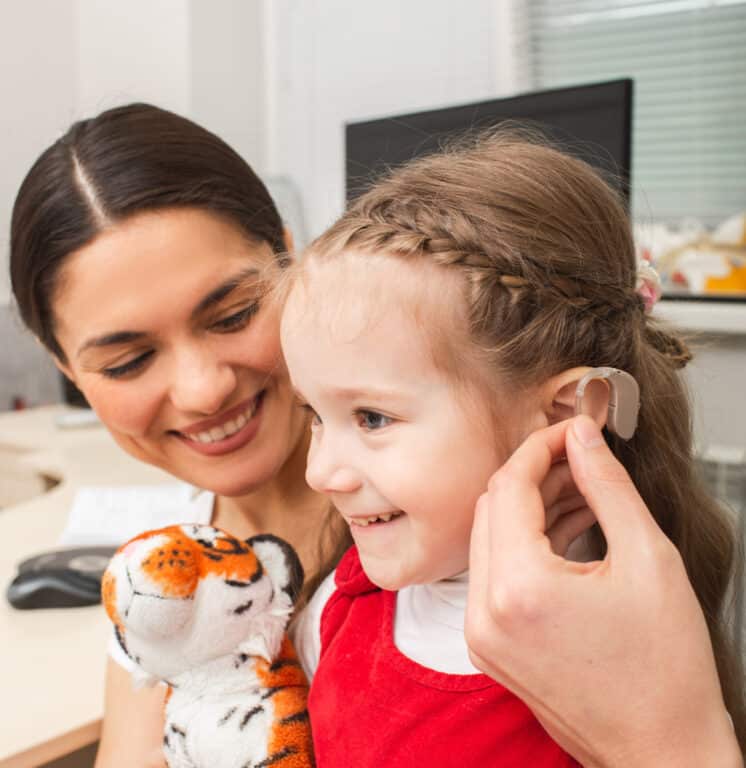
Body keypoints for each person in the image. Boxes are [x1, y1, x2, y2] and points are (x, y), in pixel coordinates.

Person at [279, 133, 746, 765]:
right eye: (315, 414)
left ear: (567, 415)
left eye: (372, 417)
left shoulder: (605, 666)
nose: (320, 473)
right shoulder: (350, 594)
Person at [9, 103, 350, 768]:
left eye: (234, 314)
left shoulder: (440, 528)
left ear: (289, 253)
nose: (202, 389)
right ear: (67, 369)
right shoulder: (162, 585)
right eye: (128, 362)